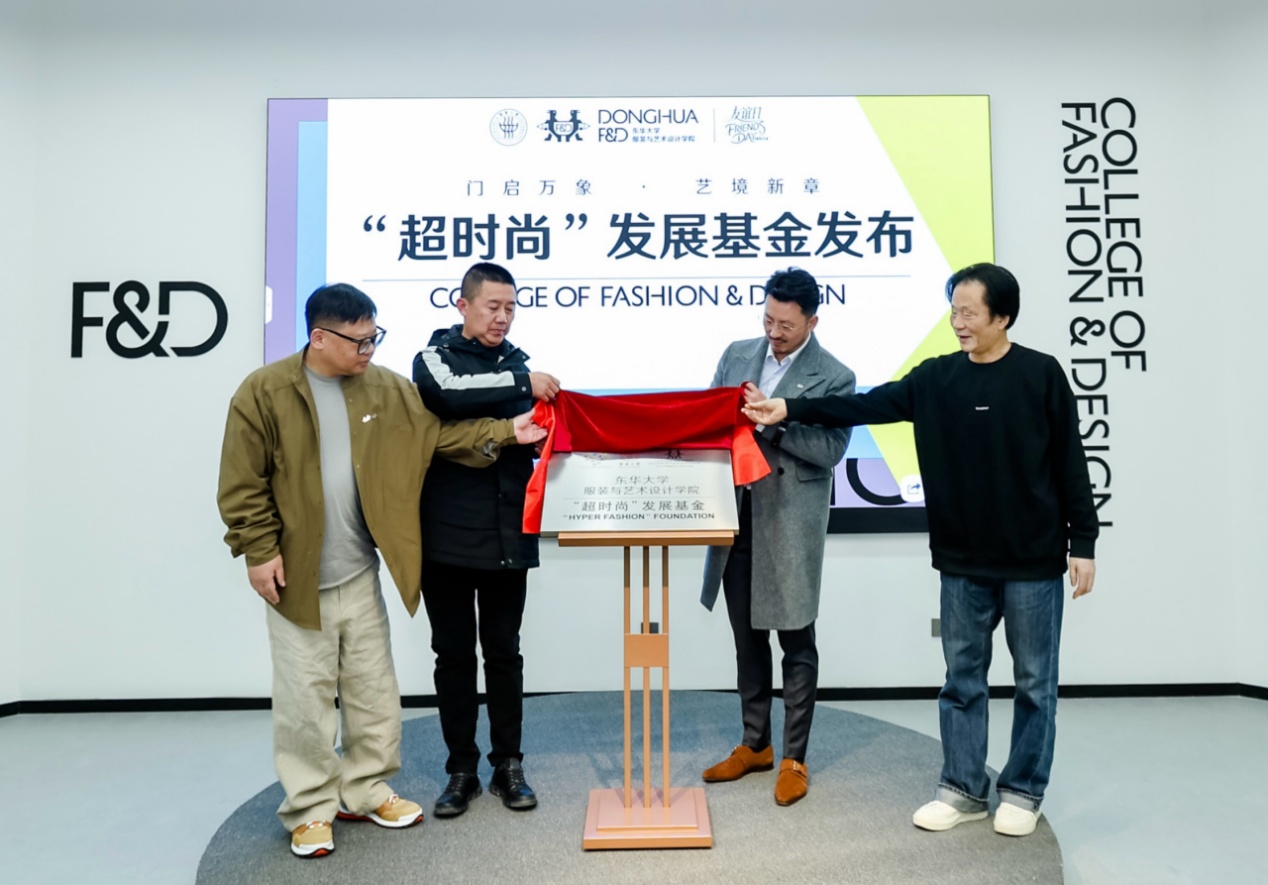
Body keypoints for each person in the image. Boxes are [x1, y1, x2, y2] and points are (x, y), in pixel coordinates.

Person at [744, 263, 1098, 836]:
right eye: (954, 311)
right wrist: (790, 408)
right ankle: (962, 789)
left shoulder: (1040, 374)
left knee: (1035, 683)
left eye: (969, 313)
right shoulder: (937, 378)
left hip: (1033, 559)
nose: (958, 322)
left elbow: (1070, 461)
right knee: (962, 679)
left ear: (1002, 317)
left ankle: (1023, 790)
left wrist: (1083, 541)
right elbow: (864, 406)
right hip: (961, 559)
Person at [217, 283, 544, 858]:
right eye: (359, 341)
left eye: (375, 338)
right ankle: (309, 807)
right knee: (305, 698)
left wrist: (503, 432)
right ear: (320, 337)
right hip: (297, 576)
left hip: (358, 570)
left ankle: (365, 789)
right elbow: (243, 481)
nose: (369, 350)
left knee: (372, 691)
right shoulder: (264, 392)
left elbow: (437, 437)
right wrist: (259, 550)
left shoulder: (386, 388)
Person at [699, 267, 855, 806]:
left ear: (812, 321)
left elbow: (830, 451)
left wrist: (771, 421)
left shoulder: (834, 376)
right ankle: (755, 744)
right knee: (746, 637)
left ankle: (794, 757)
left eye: (786, 325)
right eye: (768, 319)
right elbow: (709, 418)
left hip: (788, 520)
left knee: (796, 639)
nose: (774, 332)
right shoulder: (737, 354)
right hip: (738, 513)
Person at [412, 263, 560, 818]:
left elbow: (534, 434)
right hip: (446, 537)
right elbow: (447, 398)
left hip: (507, 533)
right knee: (453, 656)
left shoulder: (518, 362)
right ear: (463, 304)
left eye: (510, 308)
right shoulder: (434, 359)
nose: (503, 317)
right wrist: (524, 387)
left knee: (504, 653)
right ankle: (461, 769)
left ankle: (508, 765)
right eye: (492, 306)